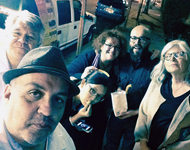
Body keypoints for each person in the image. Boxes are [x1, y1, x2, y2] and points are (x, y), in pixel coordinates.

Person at [0, 46, 80, 150]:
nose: (47, 111)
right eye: (35, 93)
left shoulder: (63, 139)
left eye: (58, 99)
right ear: (8, 94)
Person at [104, 25, 159, 150]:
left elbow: (157, 98)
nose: (137, 43)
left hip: (137, 119)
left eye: (142, 39)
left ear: (149, 41)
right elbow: (113, 79)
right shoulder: (121, 59)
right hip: (116, 116)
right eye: (133, 38)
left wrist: (135, 112)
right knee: (110, 145)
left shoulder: (156, 65)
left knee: (128, 148)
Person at [134, 40, 190, 150]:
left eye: (178, 54)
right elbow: (143, 113)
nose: (172, 59)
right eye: (167, 56)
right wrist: (142, 142)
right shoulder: (157, 83)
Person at [0, 10, 45, 102]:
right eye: (17, 33)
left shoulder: (40, 73)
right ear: (7, 35)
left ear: (38, 44)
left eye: (31, 37)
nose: (23, 40)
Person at [61, 70, 110, 150]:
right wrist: (78, 116)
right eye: (93, 91)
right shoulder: (64, 96)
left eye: (99, 96)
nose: (94, 98)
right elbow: (55, 130)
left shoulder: (93, 107)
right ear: (83, 83)